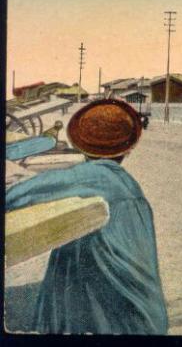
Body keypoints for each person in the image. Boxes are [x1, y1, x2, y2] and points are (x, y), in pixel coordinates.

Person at [5, 99, 168, 334]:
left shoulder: (96, 176)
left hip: (128, 313)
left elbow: (24, 192)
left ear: (81, 146)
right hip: (142, 305)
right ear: (128, 149)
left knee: (68, 250)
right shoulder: (121, 180)